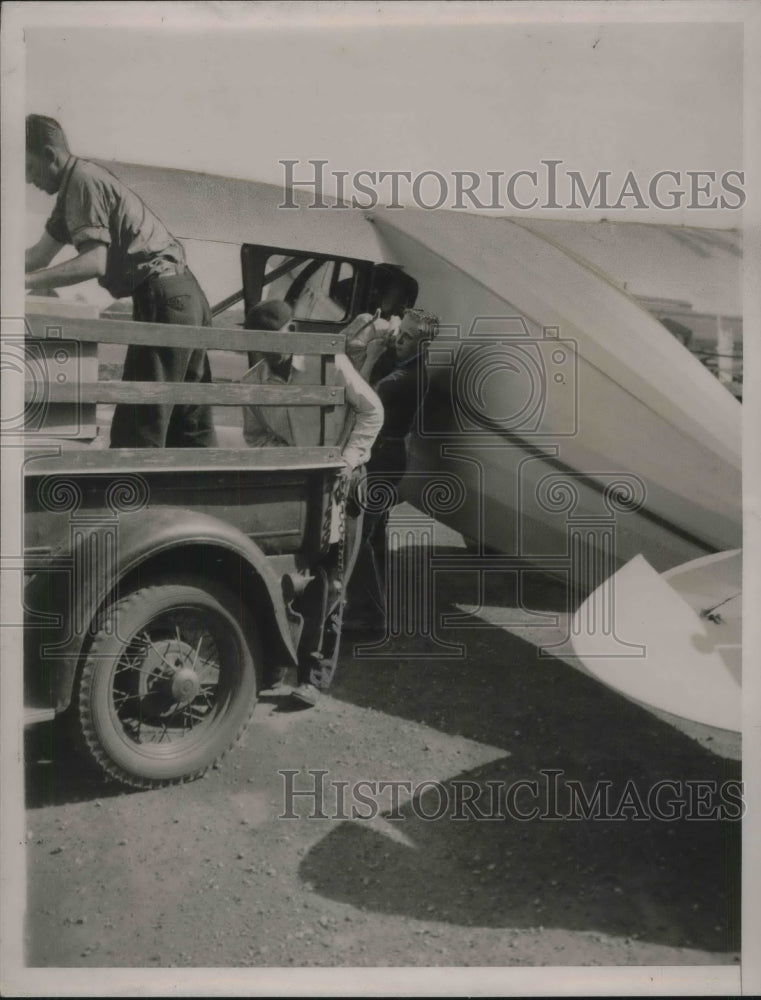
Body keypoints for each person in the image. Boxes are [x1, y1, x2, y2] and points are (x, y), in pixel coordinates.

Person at [25, 114, 216, 449]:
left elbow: (94, 262)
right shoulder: (71, 191)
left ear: (49, 155)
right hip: (184, 295)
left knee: (141, 424)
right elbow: (38, 256)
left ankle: (139, 500)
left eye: (30, 169)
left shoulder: (82, 181)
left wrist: (24, 282)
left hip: (164, 295)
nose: (30, 180)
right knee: (188, 422)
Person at [243, 299, 384, 705]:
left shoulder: (330, 364)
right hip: (299, 488)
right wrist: (295, 461)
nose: (275, 348)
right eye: (264, 341)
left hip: (343, 481)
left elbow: (372, 411)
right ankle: (275, 664)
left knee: (331, 580)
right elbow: (256, 436)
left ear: (293, 329)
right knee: (289, 578)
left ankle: (313, 677)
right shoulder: (254, 381)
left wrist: (346, 459)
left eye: (281, 337)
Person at [344, 306, 440, 632]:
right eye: (401, 333)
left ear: (422, 345)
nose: (399, 341)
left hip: (383, 460)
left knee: (359, 537)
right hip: (389, 456)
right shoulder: (409, 365)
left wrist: (370, 355)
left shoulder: (404, 380)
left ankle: (369, 614)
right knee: (375, 532)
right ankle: (374, 600)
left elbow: (364, 394)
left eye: (407, 338)